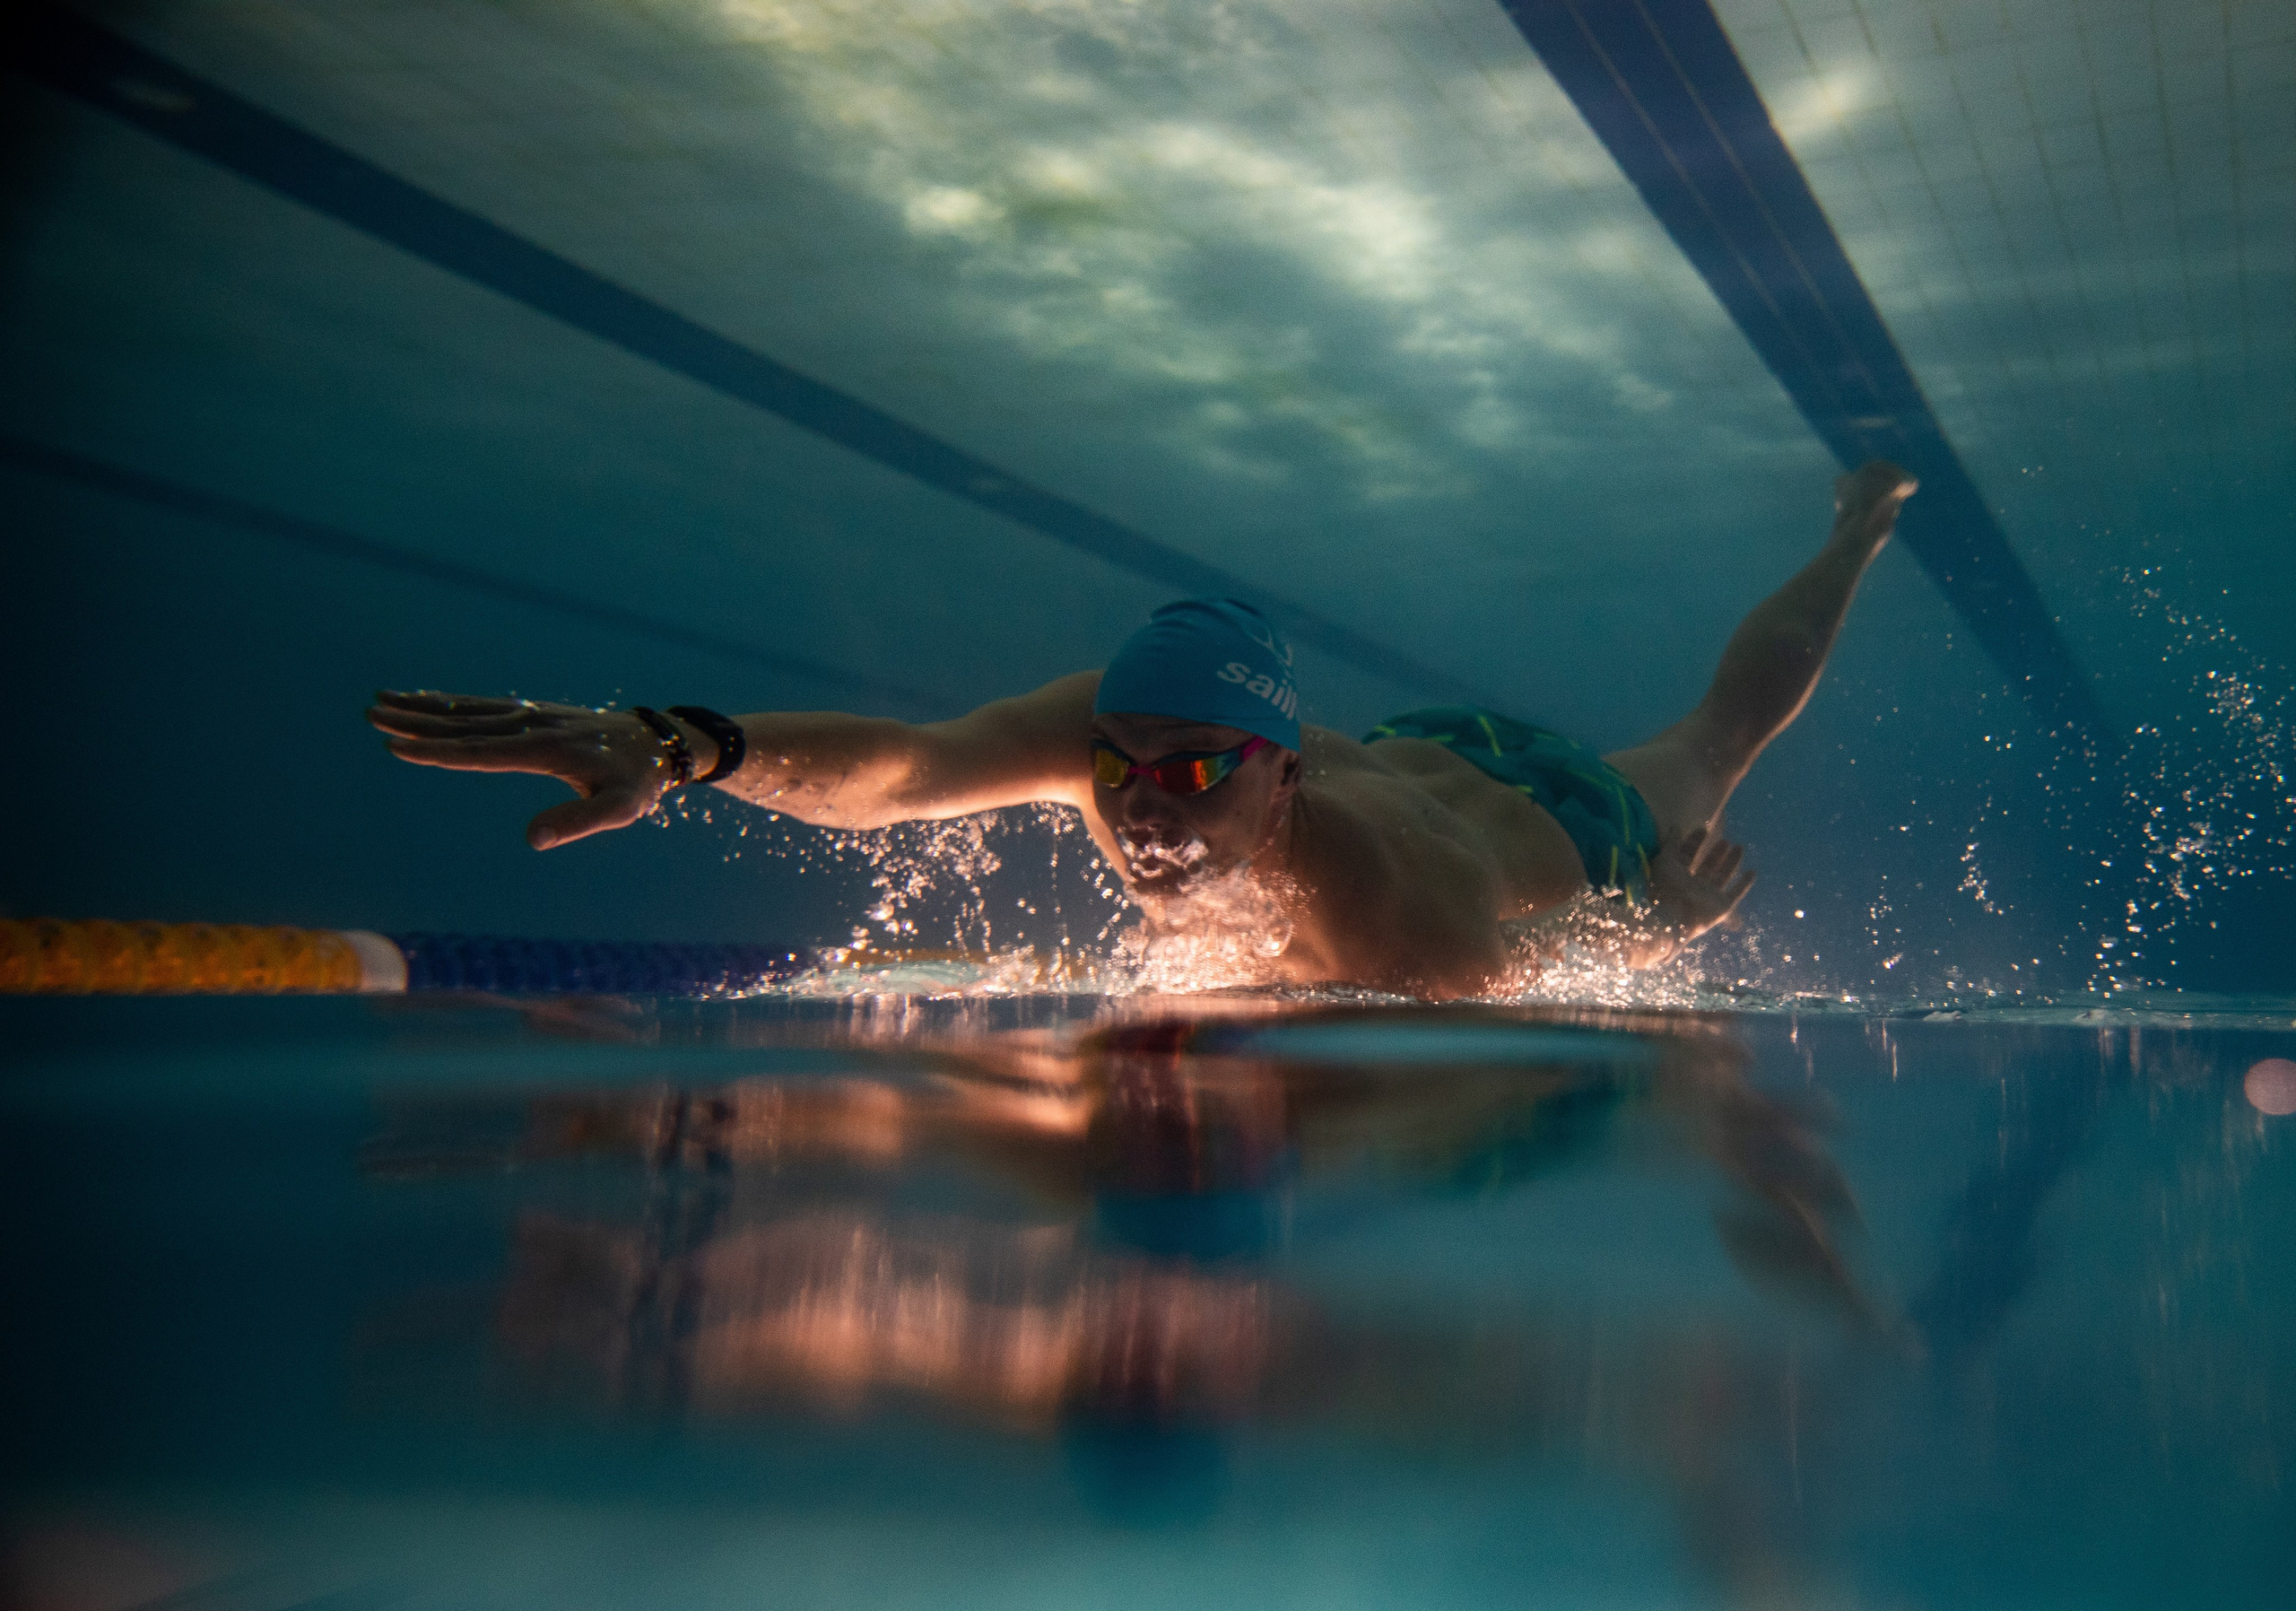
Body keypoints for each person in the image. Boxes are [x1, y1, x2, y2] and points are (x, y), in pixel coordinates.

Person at [370, 461, 1918, 997]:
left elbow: (1540, 979)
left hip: (1553, 825)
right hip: (1399, 743)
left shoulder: (1389, 911)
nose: (1143, 809)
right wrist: (680, 740)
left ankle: (1858, 530)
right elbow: (900, 776)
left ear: (1277, 773)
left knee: (1712, 743)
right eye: (1117, 768)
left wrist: (1652, 922)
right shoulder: (1134, 735)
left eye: (1187, 776)